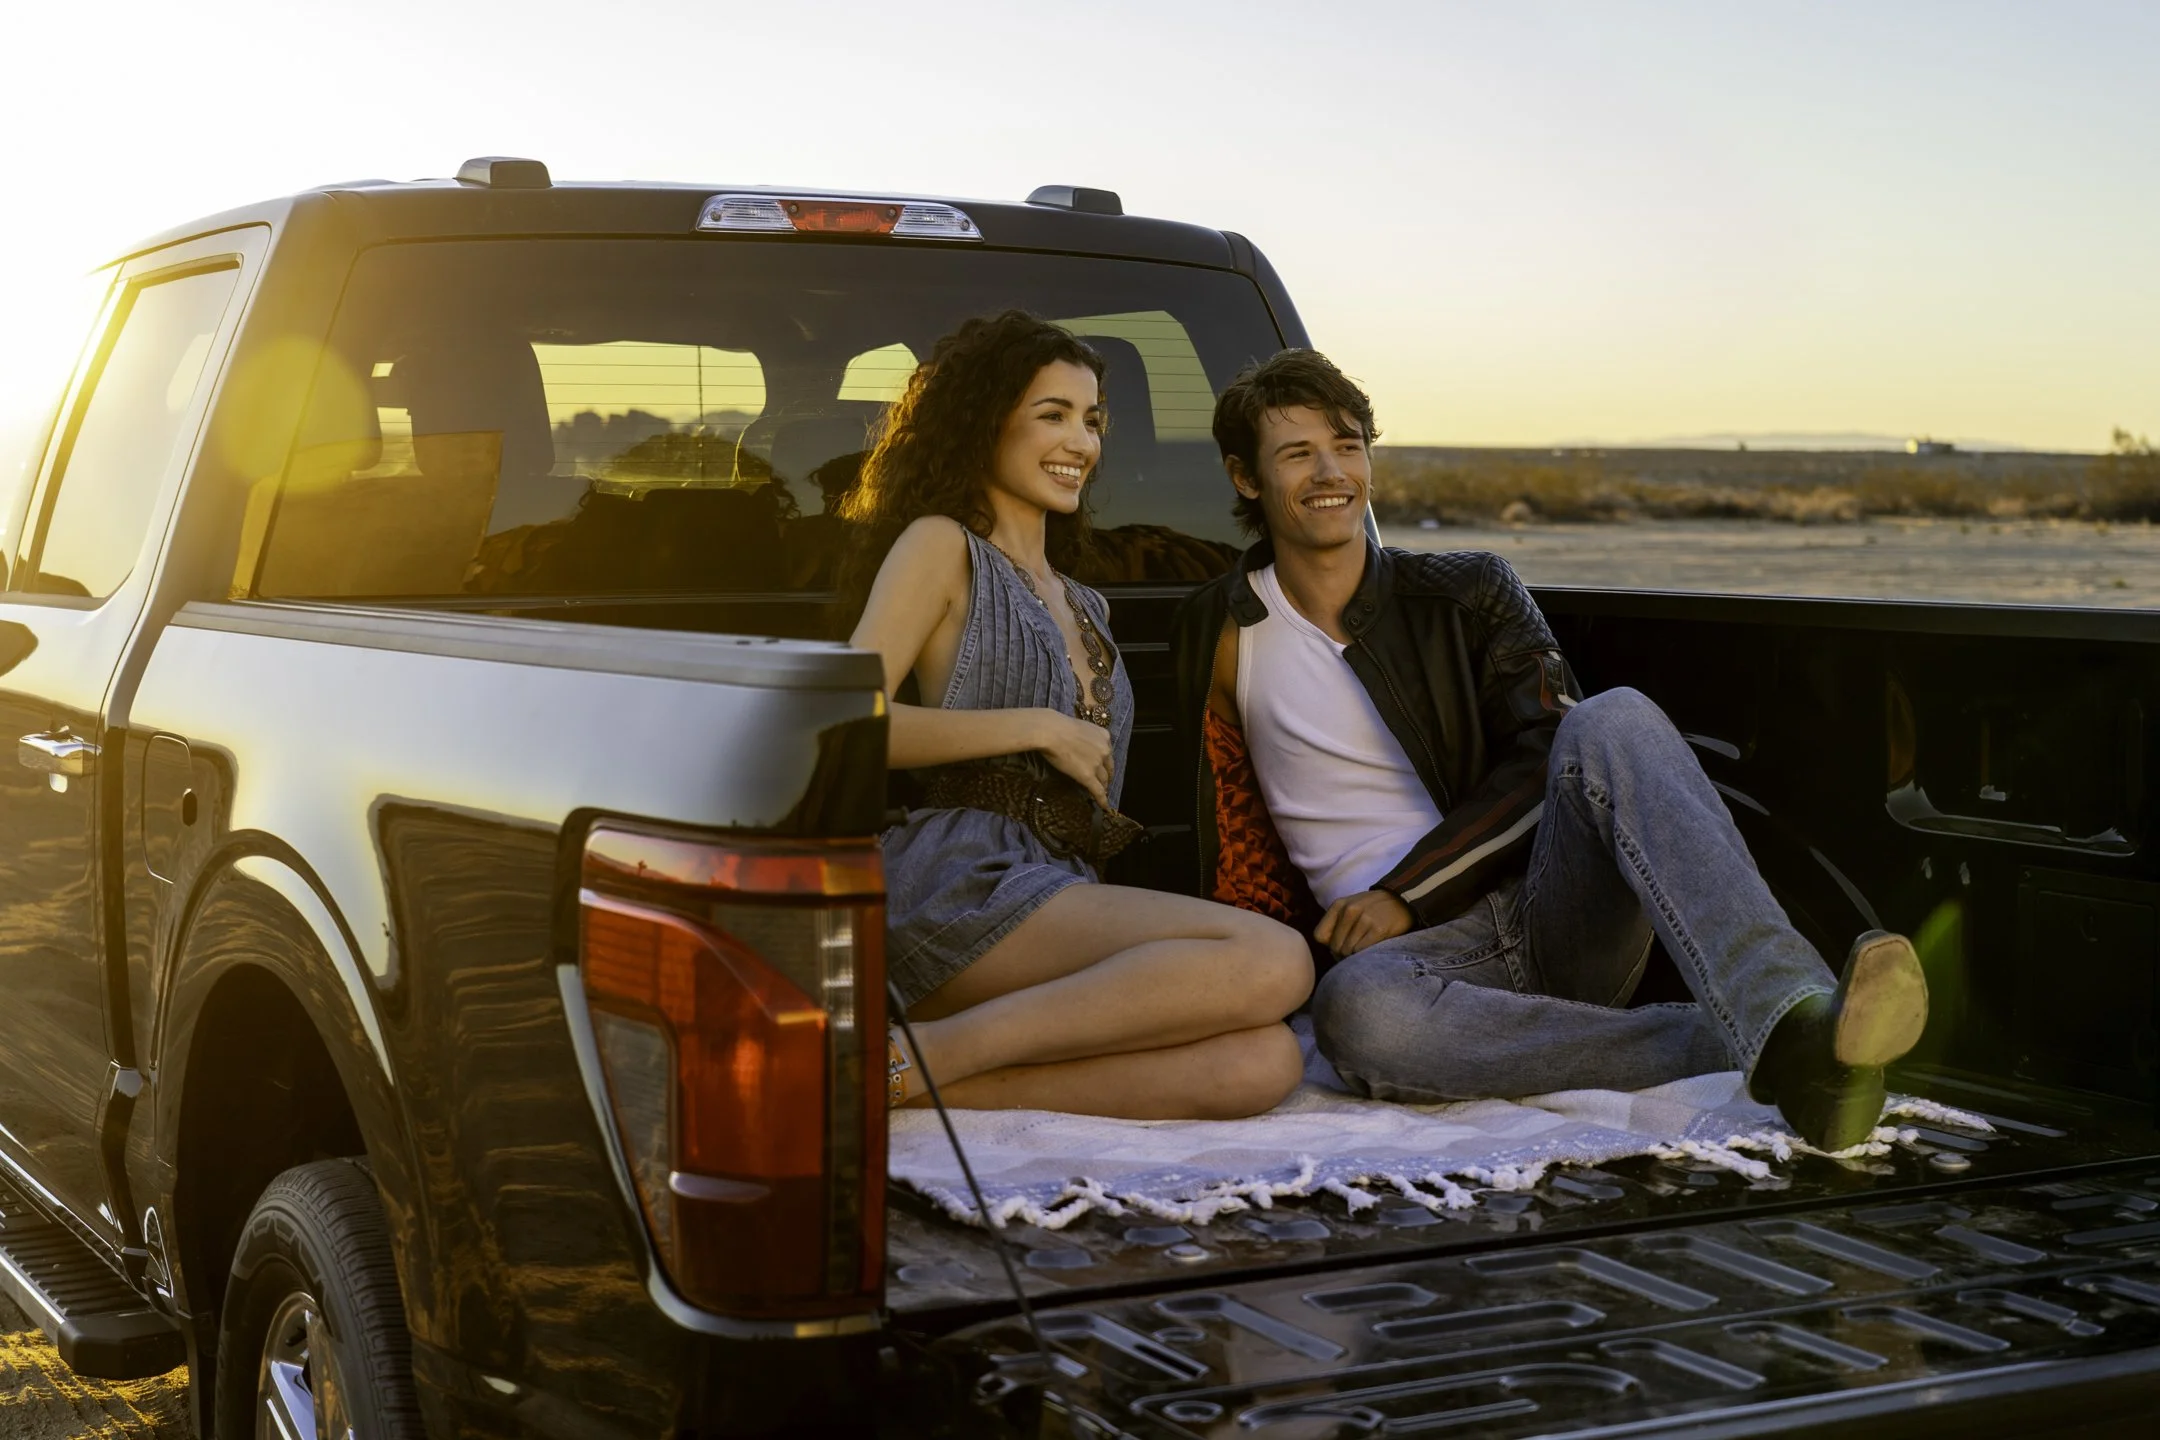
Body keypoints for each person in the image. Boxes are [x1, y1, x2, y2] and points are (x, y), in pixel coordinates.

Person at [1170, 349, 1929, 1150]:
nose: (1332, 473)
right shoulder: (1218, 630)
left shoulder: (1469, 589)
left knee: (1614, 717)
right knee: (1356, 1015)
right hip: (1407, 976)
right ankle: (1788, 1045)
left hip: (1541, 910)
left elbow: (1546, 757)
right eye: (1298, 454)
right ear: (1245, 479)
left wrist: (1408, 891)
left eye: (1349, 445)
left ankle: (1787, 1001)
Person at [842, 311, 1312, 1119]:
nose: (1081, 443)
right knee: (1275, 959)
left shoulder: (1084, 600)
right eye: (1051, 414)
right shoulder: (941, 545)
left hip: (1059, 882)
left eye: (1091, 420)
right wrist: (1036, 726)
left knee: (1261, 1063)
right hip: (958, 878)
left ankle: (910, 1086)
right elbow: (846, 723)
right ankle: (918, 1055)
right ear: (984, 422)